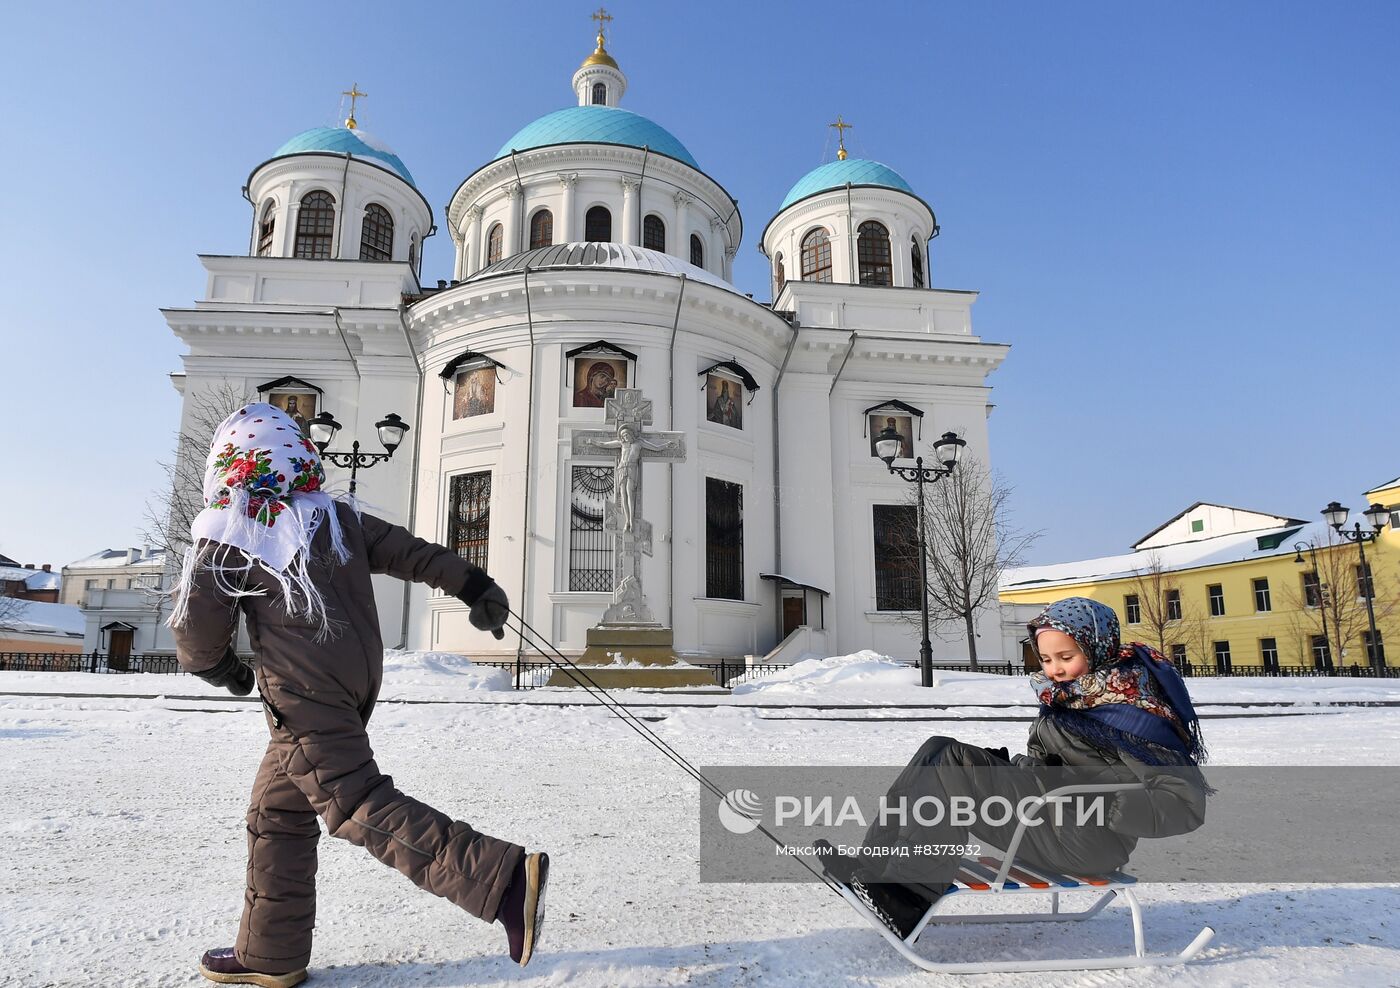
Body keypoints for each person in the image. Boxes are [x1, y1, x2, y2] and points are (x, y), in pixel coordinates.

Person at [168, 403, 549, 987]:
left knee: (352, 802)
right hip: (353, 680)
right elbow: (412, 552)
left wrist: (220, 668)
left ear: (230, 460)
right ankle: (271, 955)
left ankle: (501, 881)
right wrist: (475, 586)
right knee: (276, 812)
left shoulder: (232, 526)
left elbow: (196, 627)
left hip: (300, 691)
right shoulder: (334, 516)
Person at [818, 597, 1209, 940]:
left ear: (1097, 648)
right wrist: (1009, 766)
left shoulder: (1133, 712)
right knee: (937, 751)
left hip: (1090, 840)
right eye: (1047, 658)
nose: (1055, 669)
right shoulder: (1068, 699)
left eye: (1066, 657)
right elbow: (1052, 769)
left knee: (954, 764)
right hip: (1055, 821)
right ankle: (874, 870)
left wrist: (1105, 805)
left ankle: (910, 897)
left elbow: (1184, 803)